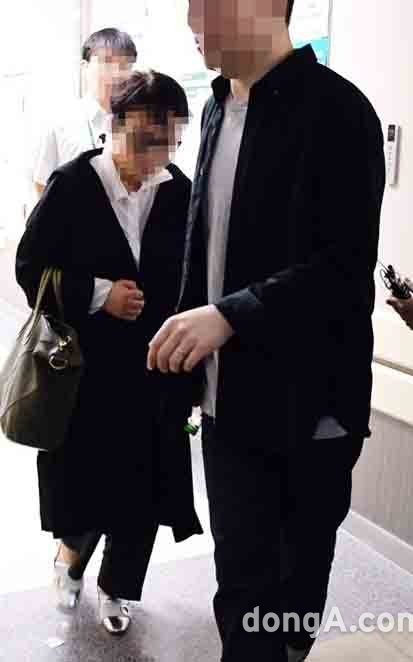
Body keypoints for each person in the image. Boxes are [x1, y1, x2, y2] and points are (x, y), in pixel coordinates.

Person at [147, 1, 385, 660]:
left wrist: (229, 315)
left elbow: (342, 269)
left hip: (309, 411)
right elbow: (207, 247)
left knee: (292, 590)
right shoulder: (216, 107)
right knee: (239, 585)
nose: (192, 18)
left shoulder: (337, 111)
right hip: (227, 406)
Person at [16, 70, 202, 636]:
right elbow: (29, 268)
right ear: (114, 126)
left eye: (170, 142)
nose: (157, 156)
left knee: (143, 493)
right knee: (86, 488)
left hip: (155, 370)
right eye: (146, 140)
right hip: (85, 374)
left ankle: (118, 587)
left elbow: (195, 278)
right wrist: (100, 294)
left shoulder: (178, 192)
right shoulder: (73, 184)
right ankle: (71, 557)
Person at [33, 27, 138, 197]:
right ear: (85, 66)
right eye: (107, 62)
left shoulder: (140, 122)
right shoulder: (61, 122)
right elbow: (42, 183)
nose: (116, 73)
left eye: (125, 65)